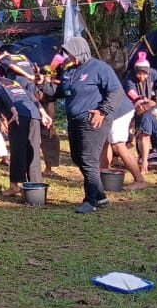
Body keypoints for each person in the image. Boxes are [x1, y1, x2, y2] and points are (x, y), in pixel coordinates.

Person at [40, 37, 123, 214]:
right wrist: (42, 83)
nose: (66, 56)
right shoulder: (70, 71)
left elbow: (116, 91)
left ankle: (90, 200)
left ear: (79, 50)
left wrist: (103, 111)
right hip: (74, 121)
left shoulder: (100, 68)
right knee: (78, 158)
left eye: (69, 52)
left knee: (88, 159)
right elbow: (58, 92)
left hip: (93, 119)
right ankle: (100, 195)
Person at [0, 71, 51, 197]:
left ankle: (14, 186)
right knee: (33, 150)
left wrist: (13, 111)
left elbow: (4, 97)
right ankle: (35, 186)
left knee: (17, 151)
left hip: (18, 116)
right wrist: (44, 114)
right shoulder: (15, 84)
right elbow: (33, 98)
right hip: (34, 115)